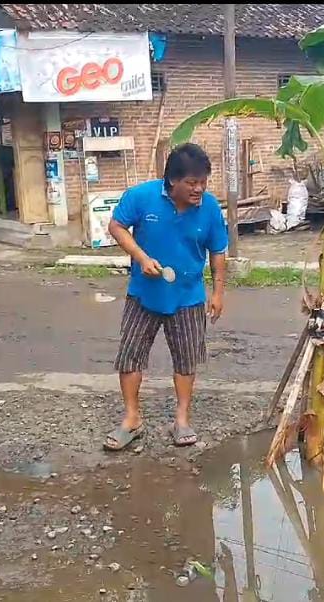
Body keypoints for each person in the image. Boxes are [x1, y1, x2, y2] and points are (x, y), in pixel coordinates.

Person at [103, 143, 228, 450]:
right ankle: (132, 419)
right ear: (173, 180)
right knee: (130, 356)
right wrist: (141, 257)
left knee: (186, 360)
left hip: (188, 295)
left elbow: (218, 250)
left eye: (203, 182)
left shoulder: (209, 207)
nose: (199, 189)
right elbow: (117, 226)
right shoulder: (141, 197)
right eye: (192, 183)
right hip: (143, 294)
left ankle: (182, 420)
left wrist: (218, 292)